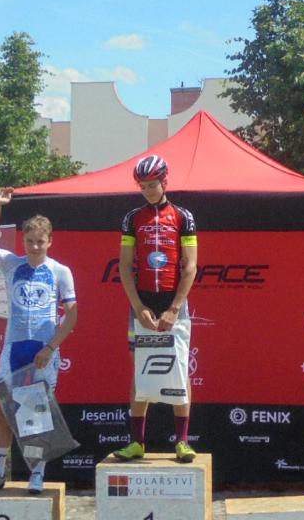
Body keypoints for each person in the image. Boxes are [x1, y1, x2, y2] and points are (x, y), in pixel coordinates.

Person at [0, 188, 78, 494]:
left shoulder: (60, 271)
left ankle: (37, 473)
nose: (34, 246)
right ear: (23, 241)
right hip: (13, 349)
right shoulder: (11, 263)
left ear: (50, 241)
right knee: (3, 414)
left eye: (40, 241)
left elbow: (72, 316)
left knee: (35, 415)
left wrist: (51, 347)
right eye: (29, 241)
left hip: (42, 352)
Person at [112, 155, 199, 464]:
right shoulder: (132, 218)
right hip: (144, 304)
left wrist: (175, 308)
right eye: (143, 186)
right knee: (140, 368)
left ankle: (183, 441)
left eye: (153, 185)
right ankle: (136, 442)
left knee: (179, 368)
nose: (148, 191)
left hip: (174, 303)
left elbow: (190, 266)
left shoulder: (183, 216)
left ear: (165, 182)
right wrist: (138, 307)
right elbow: (125, 267)